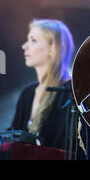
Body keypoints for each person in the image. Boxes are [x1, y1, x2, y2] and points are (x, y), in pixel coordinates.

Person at [10, 19, 74, 150]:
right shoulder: (27, 94)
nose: (24, 46)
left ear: (53, 48)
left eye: (33, 40)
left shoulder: (70, 92)